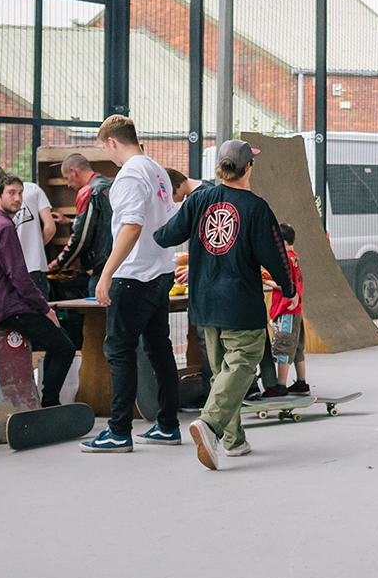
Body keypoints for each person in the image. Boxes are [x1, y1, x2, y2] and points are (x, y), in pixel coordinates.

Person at [158, 139, 292, 471]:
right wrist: (287, 286)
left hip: (204, 303)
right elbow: (275, 253)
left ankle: (234, 441)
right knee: (244, 360)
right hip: (239, 303)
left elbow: (167, 235)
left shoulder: (199, 199)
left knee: (221, 373)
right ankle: (211, 425)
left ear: (221, 167)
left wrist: (151, 233)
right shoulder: (256, 207)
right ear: (249, 167)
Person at [81, 115, 183, 453]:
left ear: (112, 141)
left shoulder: (127, 175)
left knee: (119, 351)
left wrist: (107, 273)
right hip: (160, 272)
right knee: (159, 348)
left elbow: (131, 226)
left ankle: (118, 430)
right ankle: (168, 425)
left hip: (134, 275)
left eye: (105, 148)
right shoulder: (157, 171)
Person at [0, 173, 77, 409]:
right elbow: (19, 275)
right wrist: (43, 307)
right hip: (8, 307)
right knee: (64, 347)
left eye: (20, 193)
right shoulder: (3, 227)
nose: (18, 199)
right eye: (11, 193)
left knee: (56, 345)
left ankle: (48, 401)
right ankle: (50, 403)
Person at [0, 162, 57, 299]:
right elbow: (50, 228)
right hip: (34, 269)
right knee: (39, 316)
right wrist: (34, 247)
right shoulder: (33, 189)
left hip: (1, 274)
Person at [52, 150, 115, 346]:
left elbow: (82, 237)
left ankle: (97, 374)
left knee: (96, 329)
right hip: (119, 262)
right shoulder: (111, 185)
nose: (68, 184)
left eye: (66, 178)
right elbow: (102, 223)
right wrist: (70, 221)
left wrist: (60, 262)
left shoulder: (88, 191)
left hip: (100, 266)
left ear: (74, 171)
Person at [264, 223, 310, 397]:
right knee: (297, 347)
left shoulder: (285, 260)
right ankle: (301, 382)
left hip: (286, 310)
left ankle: (280, 385)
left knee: (284, 346)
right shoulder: (294, 258)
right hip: (296, 310)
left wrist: (266, 282)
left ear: (282, 242)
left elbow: (284, 284)